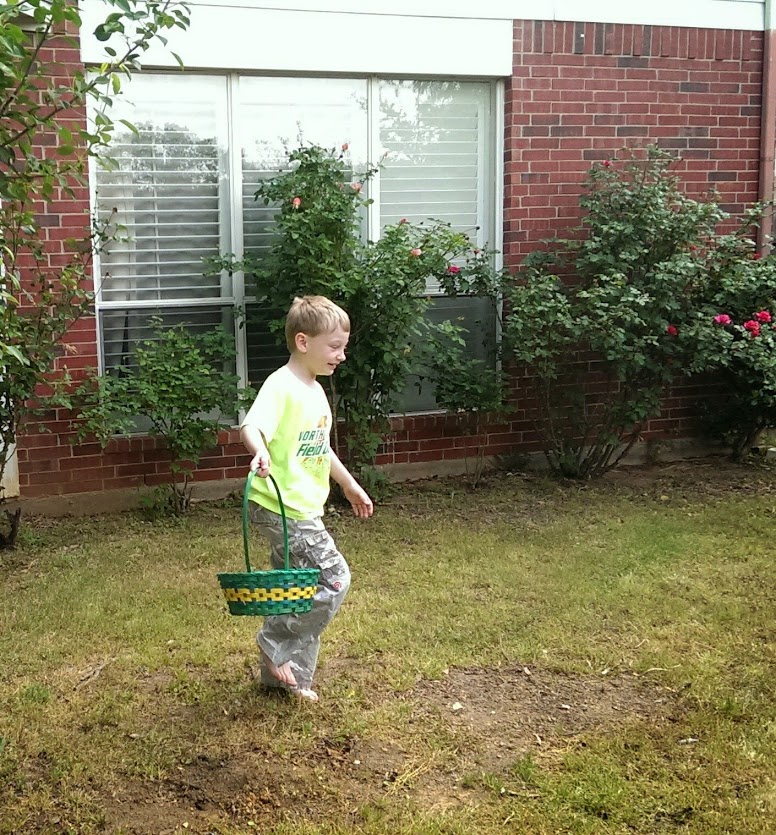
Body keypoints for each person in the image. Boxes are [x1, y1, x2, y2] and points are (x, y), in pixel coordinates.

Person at [240, 295, 374, 702]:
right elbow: (251, 426)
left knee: (296, 589)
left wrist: (348, 484)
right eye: (334, 346)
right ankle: (274, 643)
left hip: (304, 507)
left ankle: (288, 680)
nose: (341, 356)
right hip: (282, 508)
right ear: (303, 342)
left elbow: (319, 447)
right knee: (334, 579)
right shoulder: (281, 385)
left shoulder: (315, 390)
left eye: (343, 347)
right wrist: (259, 452)